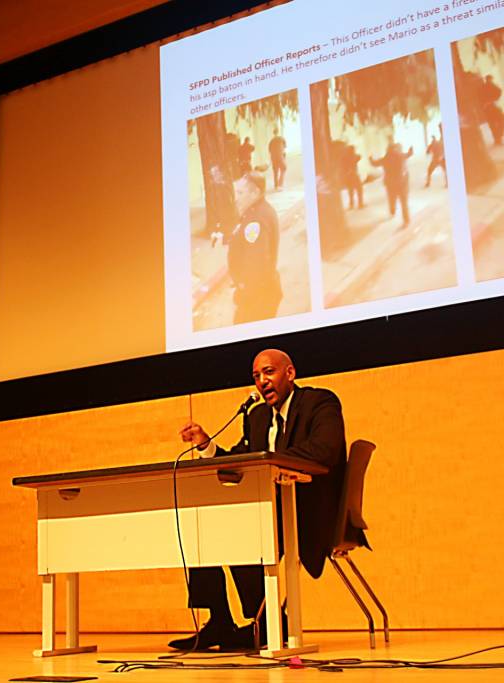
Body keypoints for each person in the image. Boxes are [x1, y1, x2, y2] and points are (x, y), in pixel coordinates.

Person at [169, 349, 353, 651]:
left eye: (269, 372)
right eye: (256, 376)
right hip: (269, 510)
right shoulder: (257, 417)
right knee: (206, 525)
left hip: (309, 511)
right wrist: (206, 444)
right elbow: (243, 461)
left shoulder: (320, 403)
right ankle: (219, 621)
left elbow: (325, 451)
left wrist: (269, 461)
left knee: (247, 533)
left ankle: (265, 624)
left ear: (290, 373)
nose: (262, 381)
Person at [226, 173, 281, 324]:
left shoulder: (256, 220)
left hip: (257, 298)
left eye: (240, 193)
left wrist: (243, 292)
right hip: (261, 293)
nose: (236, 198)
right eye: (236, 192)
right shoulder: (256, 211)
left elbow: (256, 264)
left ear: (255, 193)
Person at [369, 141, 413, 228]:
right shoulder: (400, 156)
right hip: (401, 183)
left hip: (390, 184)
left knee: (392, 199)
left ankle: (392, 211)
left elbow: (374, 164)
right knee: (404, 202)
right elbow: (409, 154)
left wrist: (370, 158)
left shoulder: (385, 158)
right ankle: (406, 220)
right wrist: (411, 150)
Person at [480, 75, 504, 145]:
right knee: (501, 121)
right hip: (494, 105)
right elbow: (499, 91)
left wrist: (483, 104)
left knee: (492, 124)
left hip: (486, 107)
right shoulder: (492, 85)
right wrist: (496, 99)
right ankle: (499, 136)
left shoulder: (482, 87)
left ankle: (497, 139)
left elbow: (479, 98)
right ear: (490, 79)